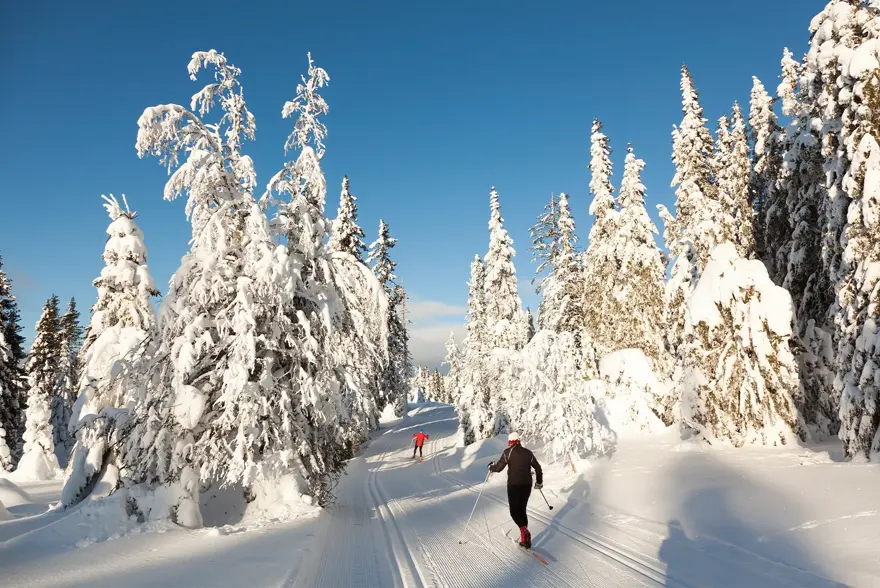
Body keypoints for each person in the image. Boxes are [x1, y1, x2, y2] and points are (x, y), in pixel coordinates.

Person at [488, 432, 543, 549]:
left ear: (510, 442)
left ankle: (524, 531)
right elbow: (538, 468)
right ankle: (525, 540)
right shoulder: (528, 453)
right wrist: (539, 482)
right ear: (518, 440)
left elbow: (498, 468)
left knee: (514, 511)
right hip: (527, 485)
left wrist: (490, 467)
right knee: (522, 510)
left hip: (514, 485)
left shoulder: (508, 452)